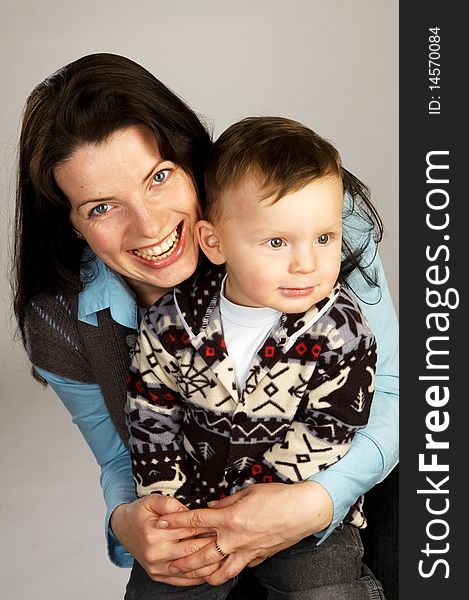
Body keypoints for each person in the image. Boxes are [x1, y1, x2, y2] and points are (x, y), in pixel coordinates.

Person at [12, 53, 398, 598]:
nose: (148, 226)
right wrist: (128, 520)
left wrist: (312, 501)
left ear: (190, 160)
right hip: (194, 499)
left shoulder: (305, 218)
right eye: (102, 207)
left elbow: (392, 393)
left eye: (159, 176)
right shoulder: (63, 319)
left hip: (344, 476)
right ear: (71, 224)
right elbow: (123, 454)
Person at [125, 116, 382, 598]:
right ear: (214, 243)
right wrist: (161, 491)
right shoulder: (173, 321)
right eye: (277, 242)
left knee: (321, 590)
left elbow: (333, 424)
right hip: (192, 502)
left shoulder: (340, 330)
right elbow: (150, 403)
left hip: (296, 506)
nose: (306, 262)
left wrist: (263, 497)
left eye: (323, 238)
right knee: (166, 587)